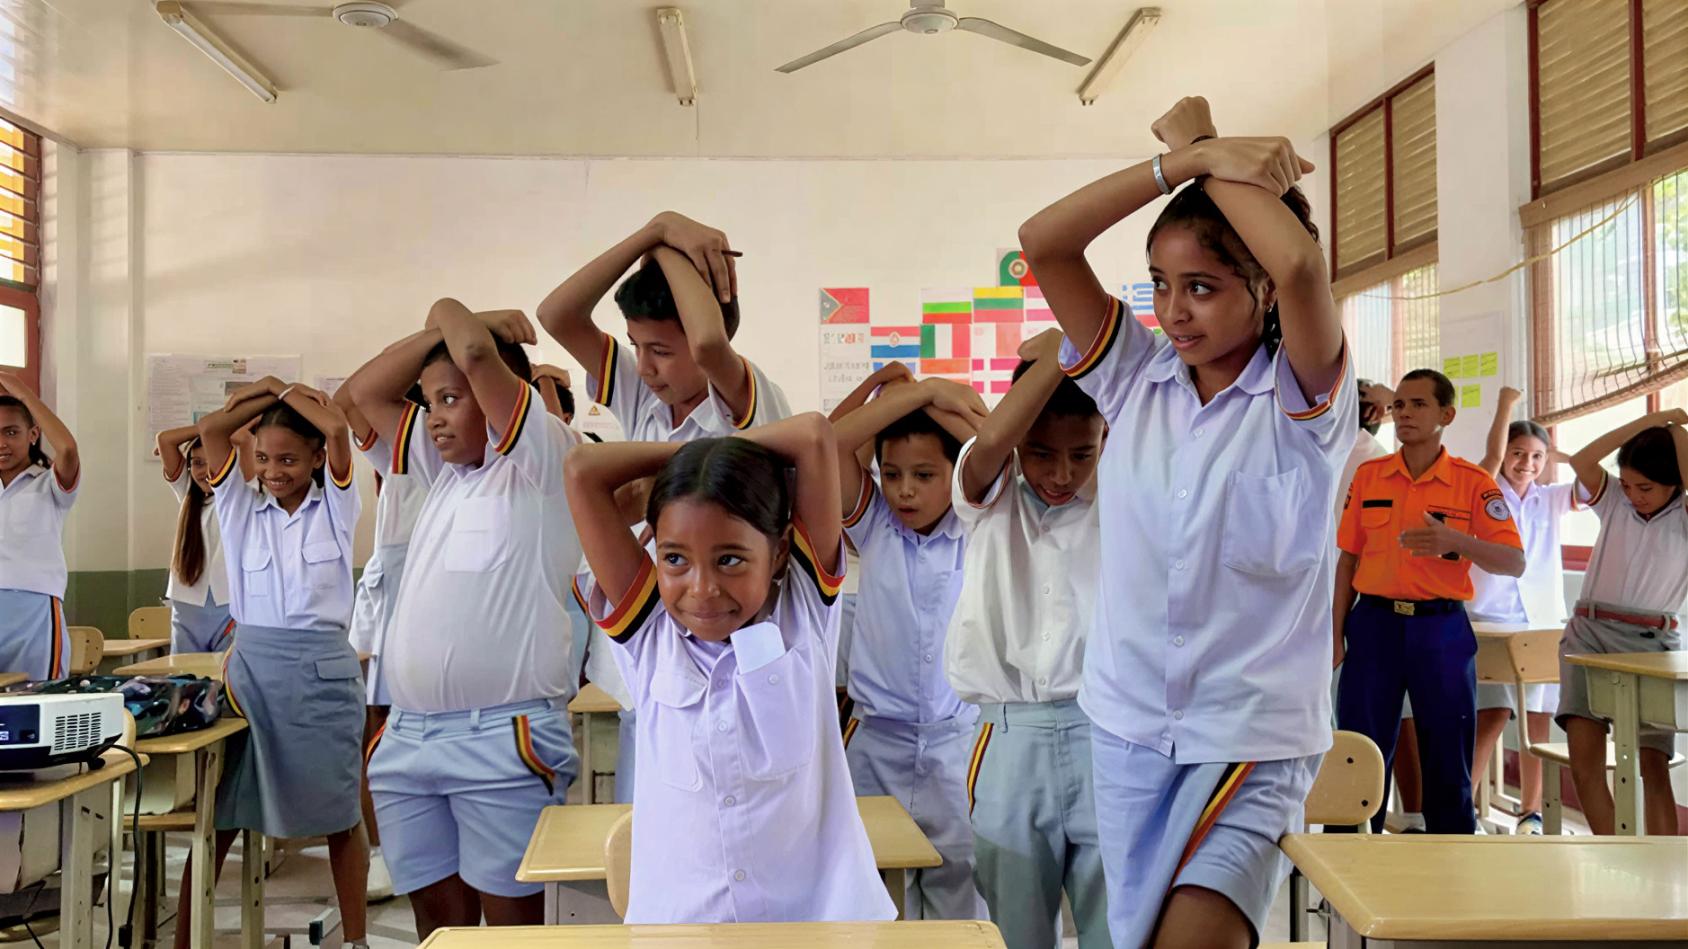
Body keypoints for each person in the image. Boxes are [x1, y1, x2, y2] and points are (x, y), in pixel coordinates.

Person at [1019, 95, 1353, 948]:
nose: (1173, 312)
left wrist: (1203, 146)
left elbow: (1304, 270)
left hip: (1250, 743)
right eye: (1161, 286)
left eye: (1202, 288)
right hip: (1129, 732)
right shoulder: (1134, 381)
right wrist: (1180, 165)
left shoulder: (1304, 398)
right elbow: (1044, 241)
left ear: (1260, 292)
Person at [566, 414, 895, 924]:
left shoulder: (805, 613)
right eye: (675, 559)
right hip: (681, 930)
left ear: (780, 550)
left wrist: (714, 454)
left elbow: (812, 436)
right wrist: (687, 460)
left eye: (730, 560)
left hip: (818, 928)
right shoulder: (649, 636)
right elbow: (582, 469)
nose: (701, 589)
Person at [537, 212, 793, 802]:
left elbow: (706, 343)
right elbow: (557, 315)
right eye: (635, 347)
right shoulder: (644, 398)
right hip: (646, 655)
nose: (645, 366)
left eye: (659, 350)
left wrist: (678, 251)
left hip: (725, 657)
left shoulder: (743, 401)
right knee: (652, 834)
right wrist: (656, 231)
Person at [351, 303, 584, 938]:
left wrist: (453, 312)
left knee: (511, 931)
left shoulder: (543, 463)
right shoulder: (441, 473)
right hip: (409, 738)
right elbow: (362, 393)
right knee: (439, 931)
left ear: (503, 398)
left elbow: (480, 355)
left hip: (501, 738)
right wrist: (447, 329)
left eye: (451, 399)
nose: (435, 418)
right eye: (428, 402)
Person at [179, 378, 368, 949]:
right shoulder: (239, 508)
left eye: (288, 458)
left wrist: (288, 391)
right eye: (263, 458)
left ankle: (356, 939)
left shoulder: (336, 506)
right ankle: (186, 941)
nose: (274, 470)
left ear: (315, 458)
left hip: (321, 676)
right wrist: (265, 392)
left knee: (340, 813)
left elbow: (337, 427)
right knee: (221, 815)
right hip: (252, 678)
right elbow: (212, 430)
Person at [945, 329, 1110, 948]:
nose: (1061, 473)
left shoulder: (1122, 497)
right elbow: (991, 440)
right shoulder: (986, 497)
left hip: (1108, 732)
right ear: (1018, 448)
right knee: (1014, 929)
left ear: (1105, 441)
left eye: (1082, 454)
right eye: (1040, 453)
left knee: (1113, 924)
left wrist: (1085, 353)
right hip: (1009, 734)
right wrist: (1065, 346)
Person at [1334, 369, 1525, 836]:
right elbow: (1347, 560)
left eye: (1417, 404)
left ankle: (1451, 881)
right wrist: (1333, 633)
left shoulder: (1472, 482)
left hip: (1440, 631)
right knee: (1359, 756)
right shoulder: (1370, 475)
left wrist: (1455, 540)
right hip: (1375, 625)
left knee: (1447, 758)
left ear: (1446, 414)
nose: (1404, 414)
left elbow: (1513, 560)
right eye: (1398, 405)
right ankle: (1345, 886)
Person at [833, 373, 989, 920]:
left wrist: (937, 395)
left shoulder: (982, 526)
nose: (904, 490)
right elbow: (827, 443)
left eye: (925, 475)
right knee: (870, 901)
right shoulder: (875, 524)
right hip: (875, 746)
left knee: (960, 892)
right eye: (892, 474)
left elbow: (994, 442)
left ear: (956, 472)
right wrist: (904, 391)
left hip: (958, 747)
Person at [1559, 407, 1687, 835]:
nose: (1634, 494)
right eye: (1629, 484)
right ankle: (1618, 864)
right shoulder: (1613, 499)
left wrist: (1675, 429)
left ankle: (1666, 875)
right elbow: (1581, 460)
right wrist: (1653, 420)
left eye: (1646, 487)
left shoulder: (1684, 516)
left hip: (1651, 642)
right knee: (1585, 764)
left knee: (1653, 764)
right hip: (1588, 634)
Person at [1467, 388, 1578, 834]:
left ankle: (1530, 813)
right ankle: (1464, 810)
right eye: (1518, 453)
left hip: (1540, 624)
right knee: (1487, 719)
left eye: (1536, 457)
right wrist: (1506, 408)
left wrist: (1556, 452)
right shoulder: (1484, 490)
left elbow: (1593, 479)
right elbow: (1490, 462)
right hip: (1487, 620)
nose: (1526, 464)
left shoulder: (1551, 498)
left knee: (1536, 725)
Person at [0, 372, 78, 682]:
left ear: (33, 434)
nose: (2, 444)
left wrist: (21, 391)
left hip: (35, 610)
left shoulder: (48, 484)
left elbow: (68, 450)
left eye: (11, 432)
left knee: (37, 703)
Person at [154, 424, 253, 653]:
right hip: (187, 603)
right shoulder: (187, 493)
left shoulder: (238, 495)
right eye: (198, 463)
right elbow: (165, 438)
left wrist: (219, 433)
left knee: (225, 679)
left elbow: (244, 440)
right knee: (186, 680)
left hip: (229, 605)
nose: (206, 471)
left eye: (213, 461)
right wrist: (206, 430)